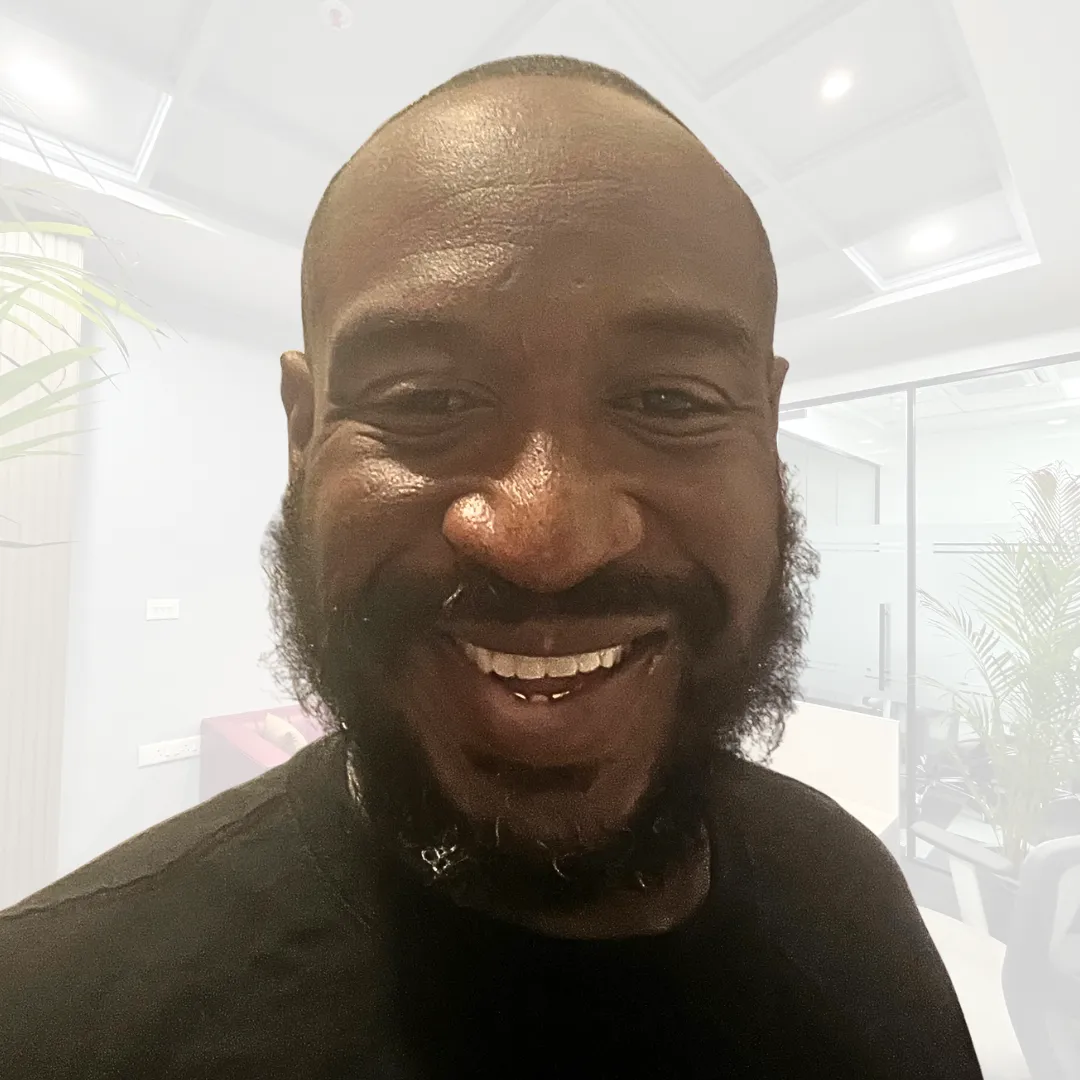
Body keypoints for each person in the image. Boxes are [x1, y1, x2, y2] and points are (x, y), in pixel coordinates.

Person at [0, 56, 982, 1078]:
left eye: (670, 402)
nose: (546, 537)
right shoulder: (46, 1026)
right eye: (425, 400)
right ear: (303, 435)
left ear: (768, 432)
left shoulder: (855, 895)